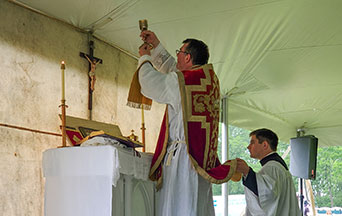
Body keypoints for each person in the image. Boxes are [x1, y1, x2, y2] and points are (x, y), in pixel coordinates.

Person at [136, 30, 237, 216]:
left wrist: (144, 58)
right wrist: (156, 45)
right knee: (197, 205)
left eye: (179, 53)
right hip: (201, 159)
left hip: (183, 158)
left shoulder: (184, 81)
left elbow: (151, 85)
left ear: (188, 57)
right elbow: (175, 73)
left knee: (179, 205)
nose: (177, 56)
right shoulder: (208, 79)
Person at [236, 128, 301, 216]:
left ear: (265, 145)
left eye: (252, 143)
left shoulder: (273, 167)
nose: (248, 147)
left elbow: (267, 194)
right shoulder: (276, 166)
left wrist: (247, 172)